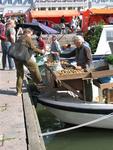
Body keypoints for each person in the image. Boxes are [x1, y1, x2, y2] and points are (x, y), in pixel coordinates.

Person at [14, 28, 45, 96]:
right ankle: (40, 85)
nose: (31, 36)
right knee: (35, 67)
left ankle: (18, 92)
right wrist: (42, 52)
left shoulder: (19, 38)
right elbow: (33, 48)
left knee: (20, 74)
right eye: (31, 34)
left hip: (16, 57)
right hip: (23, 56)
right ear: (28, 32)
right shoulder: (27, 38)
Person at [73, 35, 92, 101]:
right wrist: (59, 53)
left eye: (77, 42)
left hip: (85, 70)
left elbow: (89, 60)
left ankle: (88, 99)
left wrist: (83, 67)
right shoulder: (77, 48)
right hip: (80, 69)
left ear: (81, 41)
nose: (76, 44)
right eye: (75, 43)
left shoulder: (86, 48)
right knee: (81, 84)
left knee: (87, 84)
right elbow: (69, 54)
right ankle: (82, 97)